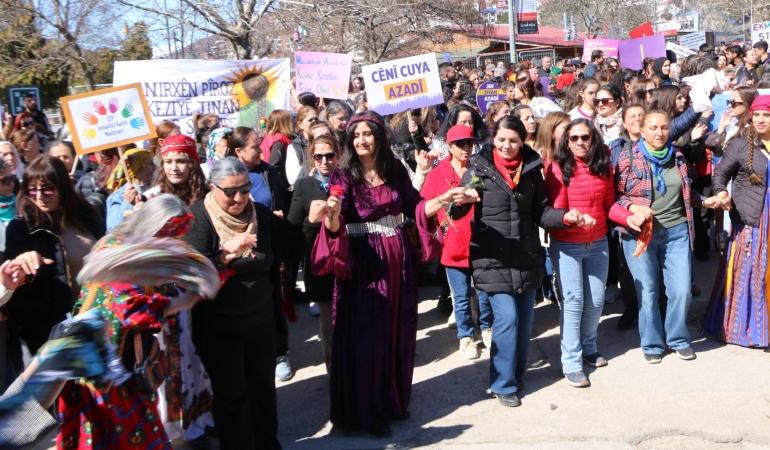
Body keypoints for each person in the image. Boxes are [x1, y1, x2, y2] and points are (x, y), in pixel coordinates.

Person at [312, 111, 455, 435]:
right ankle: (367, 411)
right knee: (367, 335)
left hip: (397, 257)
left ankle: (392, 400)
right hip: (363, 262)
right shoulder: (342, 175)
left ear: (379, 136)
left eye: (367, 134)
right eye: (356, 135)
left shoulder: (394, 169)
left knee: (396, 329)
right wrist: (330, 214)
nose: (361, 140)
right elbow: (334, 223)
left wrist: (443, 199)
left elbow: (416, 207)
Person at [57, 194, 214, 449]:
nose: (170, 243)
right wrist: (183, 301)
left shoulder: (145, 254)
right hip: (102, 368)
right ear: (151, 226)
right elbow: (133, 309)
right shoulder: (114, 250)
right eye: (165, 234)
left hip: (126, 362)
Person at [449, 115, 577, 407]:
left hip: (525, 255)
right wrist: (461, 201)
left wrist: (565, 217)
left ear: (522, 142)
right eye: (501, 140)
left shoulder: (531, 170)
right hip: (492, 257)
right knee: (507, 319)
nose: (507, 146)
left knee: (524, 321)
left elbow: (542, 213)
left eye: (513, 141)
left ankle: (516, 375)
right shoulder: (479, 168)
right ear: (493, 139)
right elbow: (458, 207)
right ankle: (502, 384)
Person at [185, 157, 305, 449]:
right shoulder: (198, 219)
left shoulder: (259, 214)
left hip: (261, 324)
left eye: (245, 189)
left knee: (263, 391)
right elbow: (191, 277)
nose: (239, 198)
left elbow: (293, 248)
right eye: (229, 192)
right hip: (220, 330)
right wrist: (223, 258)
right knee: (232, 397)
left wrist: (313, 220)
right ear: (213, 188)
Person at [612, 110, 722, 363]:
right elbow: (617, 196)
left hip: (677, 232)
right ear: (642, 130)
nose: (659, 132)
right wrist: (633, 208)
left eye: (663, 127)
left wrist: (706, 201)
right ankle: (652, 343)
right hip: (640, 234)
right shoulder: (628, 157)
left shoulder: (679, 157)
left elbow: (686, 193)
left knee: (682, 290)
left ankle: (677, 338)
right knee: (648, 291)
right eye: (653, 128)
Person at [545, 119, 627, 387]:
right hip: (567, 244)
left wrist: (628, 217)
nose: (580, 142)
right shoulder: (557, 167)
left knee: (595, 301)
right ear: (566, 141)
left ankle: (589, 347)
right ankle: (571, 362)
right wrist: (573, 219)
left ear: (593, 139)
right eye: (574, 138)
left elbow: (609, 204)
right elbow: (555, 213)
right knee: (573, 301)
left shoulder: (603, 166)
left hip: (598, 243)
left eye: (585, 137)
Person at [5, 157, 103, 356]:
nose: (40, 196)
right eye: (33, 190)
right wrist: (23, 264)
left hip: (97, 321)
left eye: (47, 189)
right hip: (52, 334)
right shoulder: (21, 228)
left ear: (63, 186)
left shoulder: (88, 216)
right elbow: (15, 283)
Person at [421, 125, 494, 359]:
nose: (466, 148)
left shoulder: (479, 169)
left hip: (482, 241)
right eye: (460, 144)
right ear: (449, 147)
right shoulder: (437, 173)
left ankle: (487, 327)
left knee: (485, 293)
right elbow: (424, 206)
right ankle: (466, 336)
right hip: (453, 243)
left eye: (470, 143)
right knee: (461, 297)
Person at [703, 95, 770, 347]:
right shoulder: (741, 144)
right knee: (751, 271)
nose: (761, 120)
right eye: (757, 115)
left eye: (767, 115)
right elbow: (719, 175)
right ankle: (749, 330)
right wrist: (722, 193)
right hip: (751, 216)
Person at [287, 135, 340, 371]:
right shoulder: (303, 186)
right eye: (319, 157)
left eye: (330, 155)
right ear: (312, 158)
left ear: (338, 155)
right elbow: (293, 227)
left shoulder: (352, 180)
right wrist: (312, 220)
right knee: (329, 323)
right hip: (321, 260)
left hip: (351, 258)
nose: (325, 161)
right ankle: (335, 373)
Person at [226, 126, 287, 215]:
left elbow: (285, 199)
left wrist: (275, 219)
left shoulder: (268, 172)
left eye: (259, 145)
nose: (260, 150)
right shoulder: (225, 178)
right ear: (239, 151)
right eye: (255, 147)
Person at [105, 148, 156, 231]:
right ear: (137, 168)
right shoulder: (118, 196)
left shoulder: (156, 189)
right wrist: (127, 203)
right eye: (150, 163)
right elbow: (112, 229)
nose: (155, 167)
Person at [285, 106, 318, 187]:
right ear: (300, 125)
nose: (314, 122)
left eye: (316, 119)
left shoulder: (326, 141)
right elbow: (292, 179)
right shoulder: (295, 147)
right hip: (306, 188)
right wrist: (314, 161)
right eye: (310, 120)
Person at [262, 109, 294, 187]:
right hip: (277, 183)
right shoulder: (279, 141)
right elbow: (274, 165)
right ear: (284, 123)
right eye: (290, 121)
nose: (293, 123)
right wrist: (283, 185)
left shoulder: (269, 137)